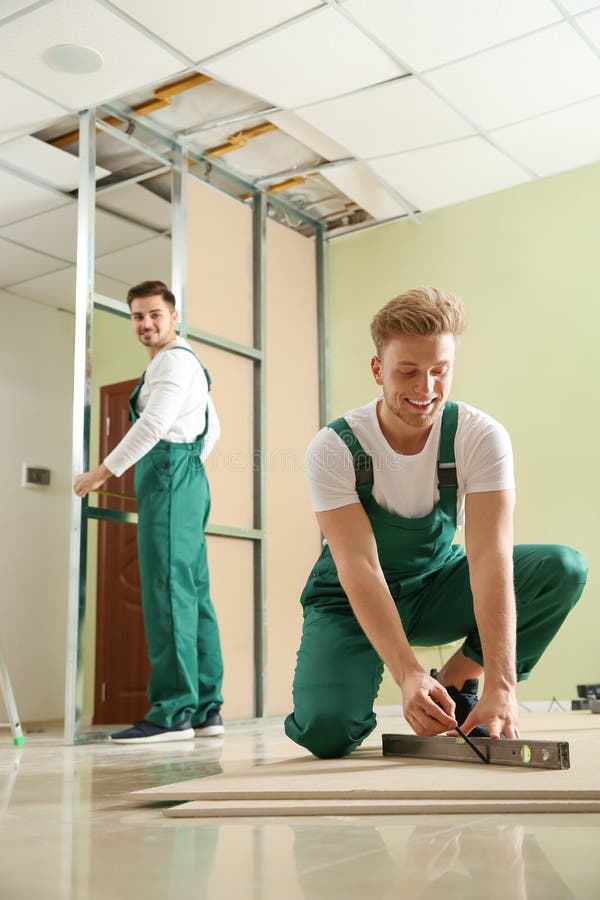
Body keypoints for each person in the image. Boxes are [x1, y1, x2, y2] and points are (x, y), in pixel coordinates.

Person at [285, 286, 588, 759]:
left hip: (435, 586)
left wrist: (501, 685)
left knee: (562, 569)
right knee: (327, 733)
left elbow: (489, 558)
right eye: (407, 372)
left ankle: (459, 676)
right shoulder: (335, 447)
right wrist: (407, 673)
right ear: (377, 370)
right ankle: (366, 693)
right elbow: (359, 566)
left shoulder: (480, 437)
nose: (425, 388)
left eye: (439, 371)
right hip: (350, 598)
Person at [74, 280, 224, 744]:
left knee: (167, 592)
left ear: (174, 316)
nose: (146, 323)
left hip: (171, 479)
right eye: (138, 316)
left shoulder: (173, 362)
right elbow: (213, 428)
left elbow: (156, 423)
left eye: (155, 314)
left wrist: (102, 472)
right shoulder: (185, 361)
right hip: (186, 479)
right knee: (192, 593)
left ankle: (173, 713)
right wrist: (188, 466)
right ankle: (206, 709)